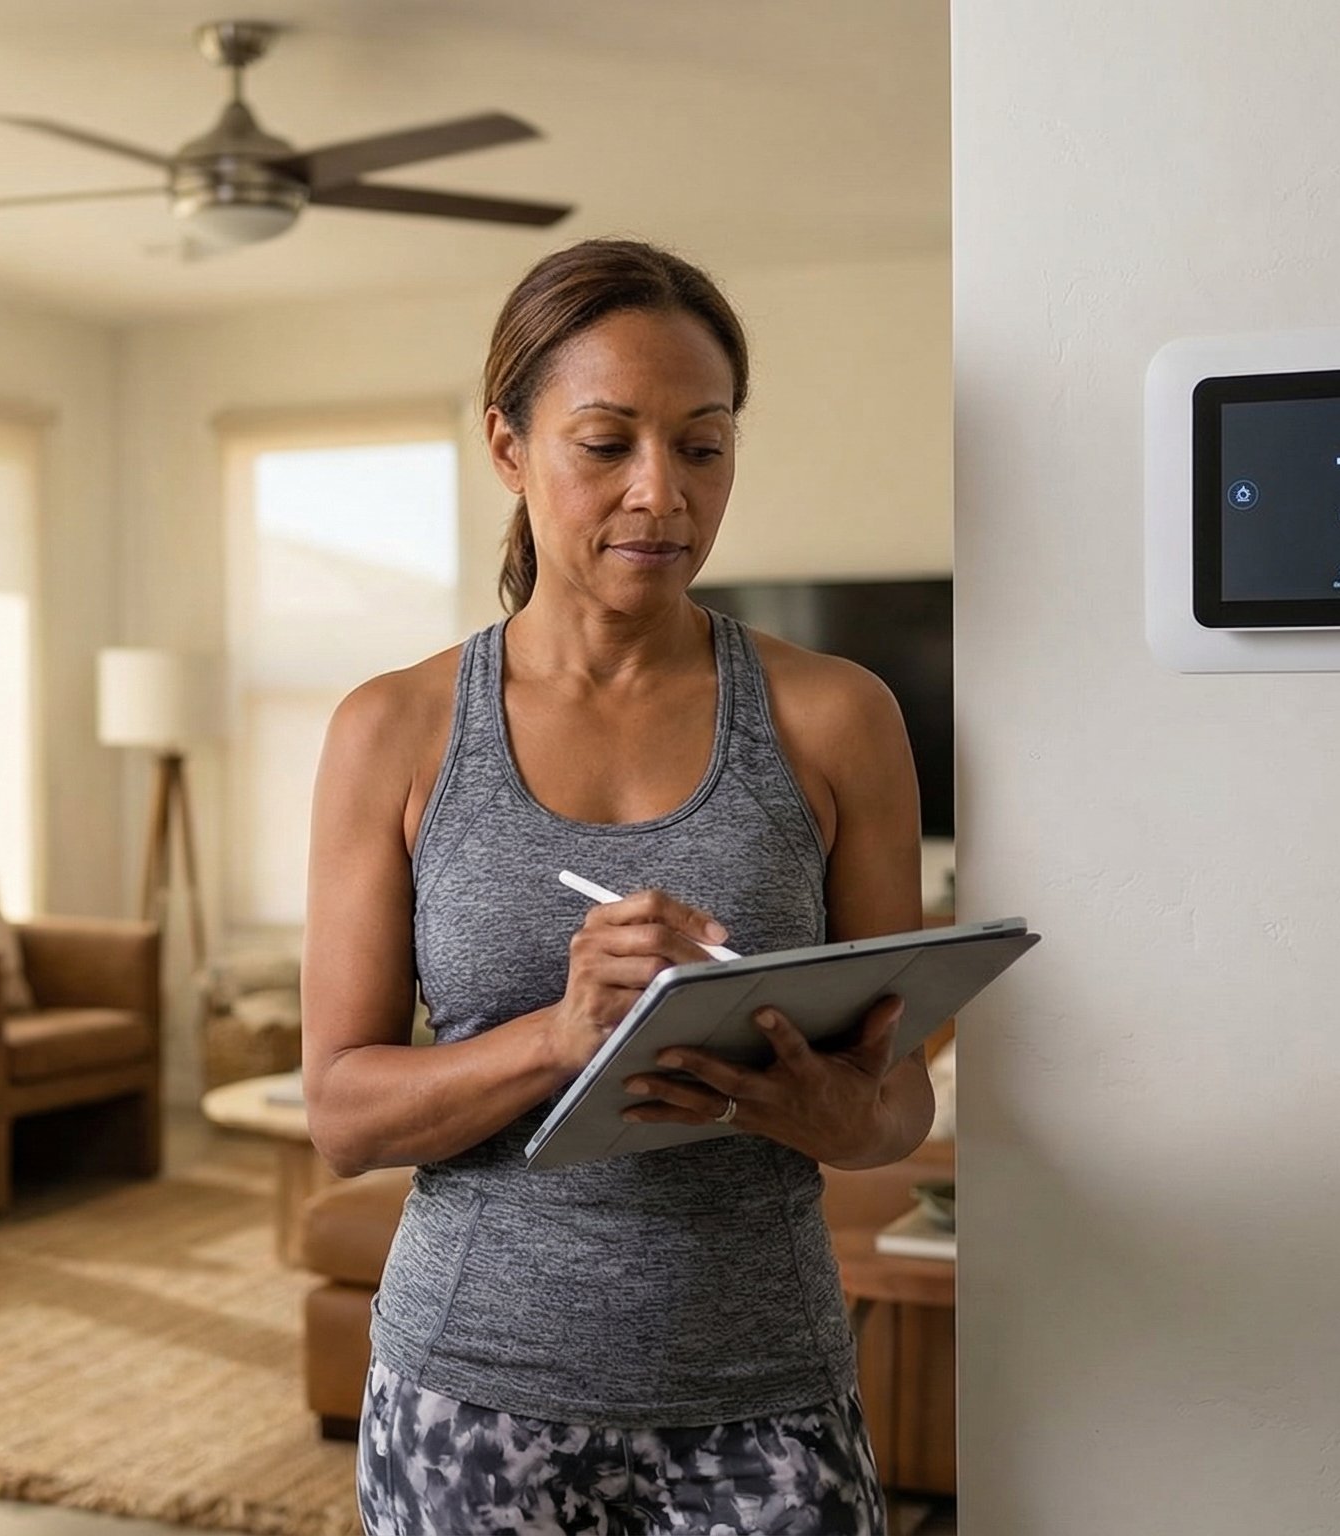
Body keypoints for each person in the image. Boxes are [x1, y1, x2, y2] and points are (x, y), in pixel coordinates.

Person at [301, 238, 934, 1535]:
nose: (663, 493)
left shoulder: (838, 719)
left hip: (768, 1397)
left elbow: (899, 1105)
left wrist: (826, 1109)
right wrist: (564, 1036)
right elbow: (344, 1113)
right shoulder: (396, 729)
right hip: (472, 1398)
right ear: (508, 446)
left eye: (704, 447)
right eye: (608, 443)